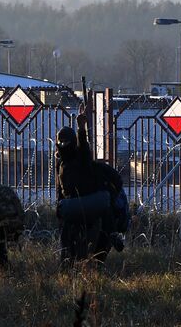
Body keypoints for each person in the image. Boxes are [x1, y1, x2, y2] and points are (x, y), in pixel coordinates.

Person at [55, 107, 123, 270]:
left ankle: (75, 262)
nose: (63, 145)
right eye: (61, 142)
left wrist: (81, 128)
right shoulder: (61, 164)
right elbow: (59, 190)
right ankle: (67, 263)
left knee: (103, 220)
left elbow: (84, 148)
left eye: (66, 142)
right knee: (66, 232)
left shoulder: (80, 158)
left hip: (86, 203)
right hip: (74, 206)